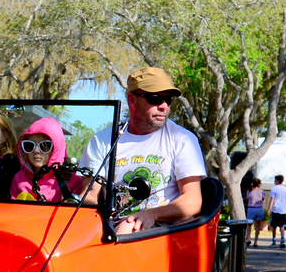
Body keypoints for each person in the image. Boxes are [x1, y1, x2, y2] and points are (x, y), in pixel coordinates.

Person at [80, 67, 207, 234]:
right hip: (110, 226)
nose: (163, 106)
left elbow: (192, 201)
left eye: (168, 100)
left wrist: (151, 215)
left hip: (164, 230)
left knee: (126, 229)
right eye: (155, 99)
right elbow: (90, 195)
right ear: (132, 100)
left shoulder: (182, 139)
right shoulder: (103, 140)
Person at [9, 117, 85, 202]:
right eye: (29, 145)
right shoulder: (19, 178)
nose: (36, 151)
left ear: (57, 149)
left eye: (45, 146)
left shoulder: (71, 179)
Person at [267, 174, 286, 248]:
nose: (274, 181)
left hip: (275, 209)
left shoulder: (274, 189)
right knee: (282, 226)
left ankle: (274, 240)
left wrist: (269, 209)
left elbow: (272, 200)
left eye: (275, 180)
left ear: (277, 180)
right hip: (283, 210)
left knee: (274, 226)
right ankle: (282, 240)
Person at [245, 177, 266, 245]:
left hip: (251, 208)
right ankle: (256, 241)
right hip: (259, 209)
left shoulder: (250, 191)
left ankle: (248, 238)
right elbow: (263, 200)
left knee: (249, 225)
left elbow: (247, 199)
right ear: (258, 184)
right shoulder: (262, 192)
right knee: (257, 226)